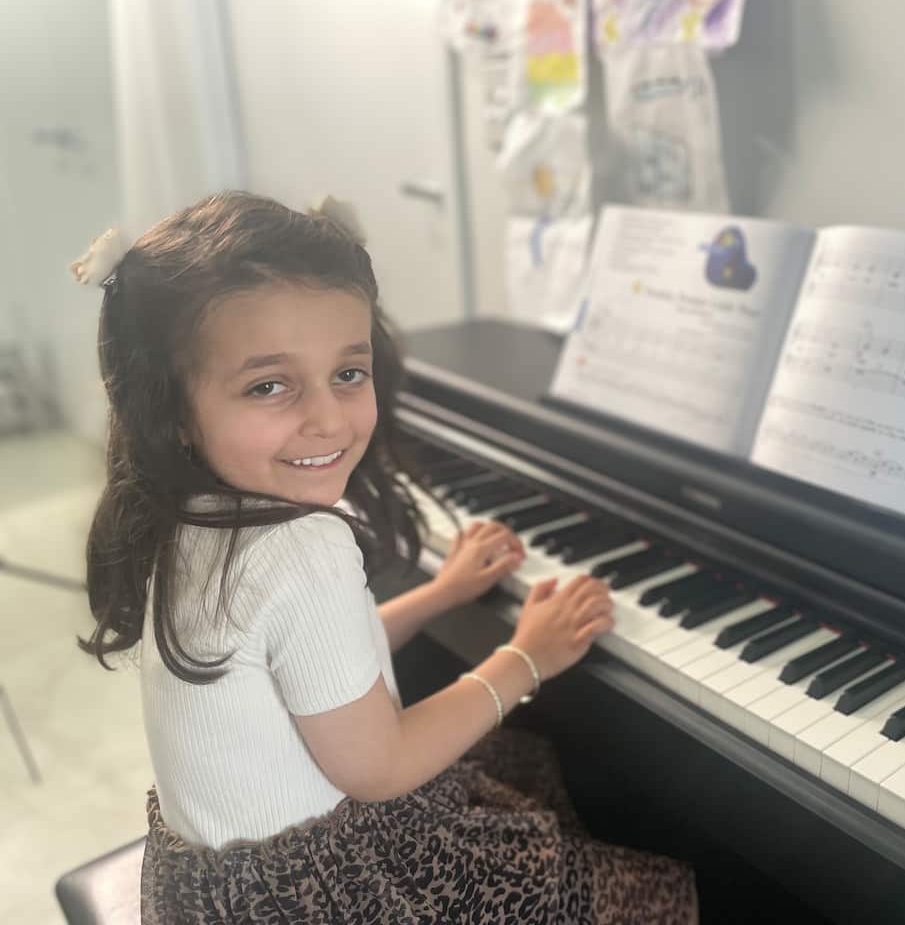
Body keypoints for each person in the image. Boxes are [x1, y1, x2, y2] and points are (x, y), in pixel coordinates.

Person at [75, 191, 697, 923]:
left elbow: (322, 671)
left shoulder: (188, 513)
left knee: (522, 776)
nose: (329, 418)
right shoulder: (302, 546)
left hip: (220, 892)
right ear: (174, 411)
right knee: (655, 891)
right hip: (332, 893)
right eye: (269, 385)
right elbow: (381, 768)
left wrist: (442, 592)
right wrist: (528, 656)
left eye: (348, 373)